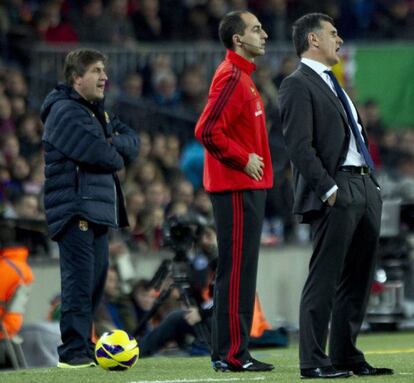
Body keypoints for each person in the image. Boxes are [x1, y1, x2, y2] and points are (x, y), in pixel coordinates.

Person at [278, 13, 393, 379]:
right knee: (325, 277)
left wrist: (372, 186)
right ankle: (312, 359)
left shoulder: (333, 83)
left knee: (359, 278)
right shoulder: (297, 84)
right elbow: (298, 146)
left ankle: (345, 354)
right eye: (333, 33)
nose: (339, 39)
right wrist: (327, 188)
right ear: (313, 39)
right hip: (337, 187)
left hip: (363, 186)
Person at [40, 48, 139, 368]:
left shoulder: (99, 113)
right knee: (79, 282)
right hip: (75, 208)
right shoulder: (64, 111)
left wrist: (112, 143)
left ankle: (83, 345)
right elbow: (101, 154)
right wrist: (112, 146)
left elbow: (133, 143)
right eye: (96, 71)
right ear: (76, 77)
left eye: (103, 71)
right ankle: (72, 352)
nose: (104, 77)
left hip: (96, 208)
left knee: (94, 283)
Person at [194, 10, 274, 372]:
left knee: (240, 270)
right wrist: (243, 160)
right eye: (256, 29)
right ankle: (230, 354)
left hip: (245, 187)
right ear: (238, 39)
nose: (265, 34)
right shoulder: (231, 76)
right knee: (236, 270)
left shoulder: (242, 77)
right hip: (237, 187)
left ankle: (234, 351)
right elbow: (207, 130)